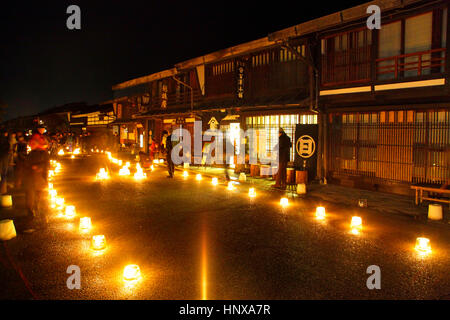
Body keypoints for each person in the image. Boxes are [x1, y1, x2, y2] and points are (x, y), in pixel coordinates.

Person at [24, 125, 49, 226]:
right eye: (31, 143)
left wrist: (38, 168)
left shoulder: (43, 154)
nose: (31, 144)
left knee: (41, 197)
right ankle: (30, 213)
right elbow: (26, 165)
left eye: (33, 143)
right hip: (30, 179)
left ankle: (43, 215)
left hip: (39, 179)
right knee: (29, 197)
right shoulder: (31, 154)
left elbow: (46, 166)